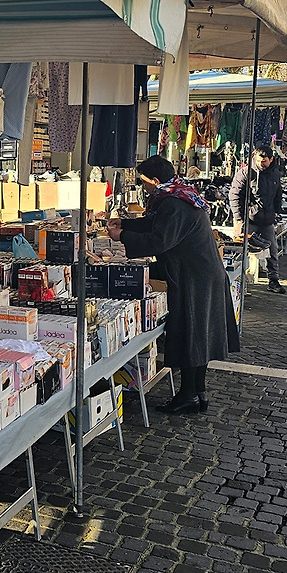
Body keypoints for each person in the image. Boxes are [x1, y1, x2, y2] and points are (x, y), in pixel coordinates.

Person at [106, 155, 238, 414]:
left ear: (155, 181)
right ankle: (197, 392)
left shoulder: (174, 203)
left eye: (144, 182)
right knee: (198, 338)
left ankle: (189, 396)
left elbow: (159, 240)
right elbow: (157, 224)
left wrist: (123, 236)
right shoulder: (177, 195)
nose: (143, 187)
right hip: (198, 274)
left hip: (195, 278)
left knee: (192, 337)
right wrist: (126, 224)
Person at [230, 145, 285, 294]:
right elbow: (235, 195)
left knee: (272, 250)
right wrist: (239, 219)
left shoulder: (275, 173)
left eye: (264, 161)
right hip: (249, 219)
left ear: (271, 159)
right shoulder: (245, 173)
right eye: (259, 160)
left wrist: (277, 211)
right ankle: (239, 284)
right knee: (242, 252)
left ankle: (273, 280)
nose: (261, 164)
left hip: (267, 219)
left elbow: (278, 193)